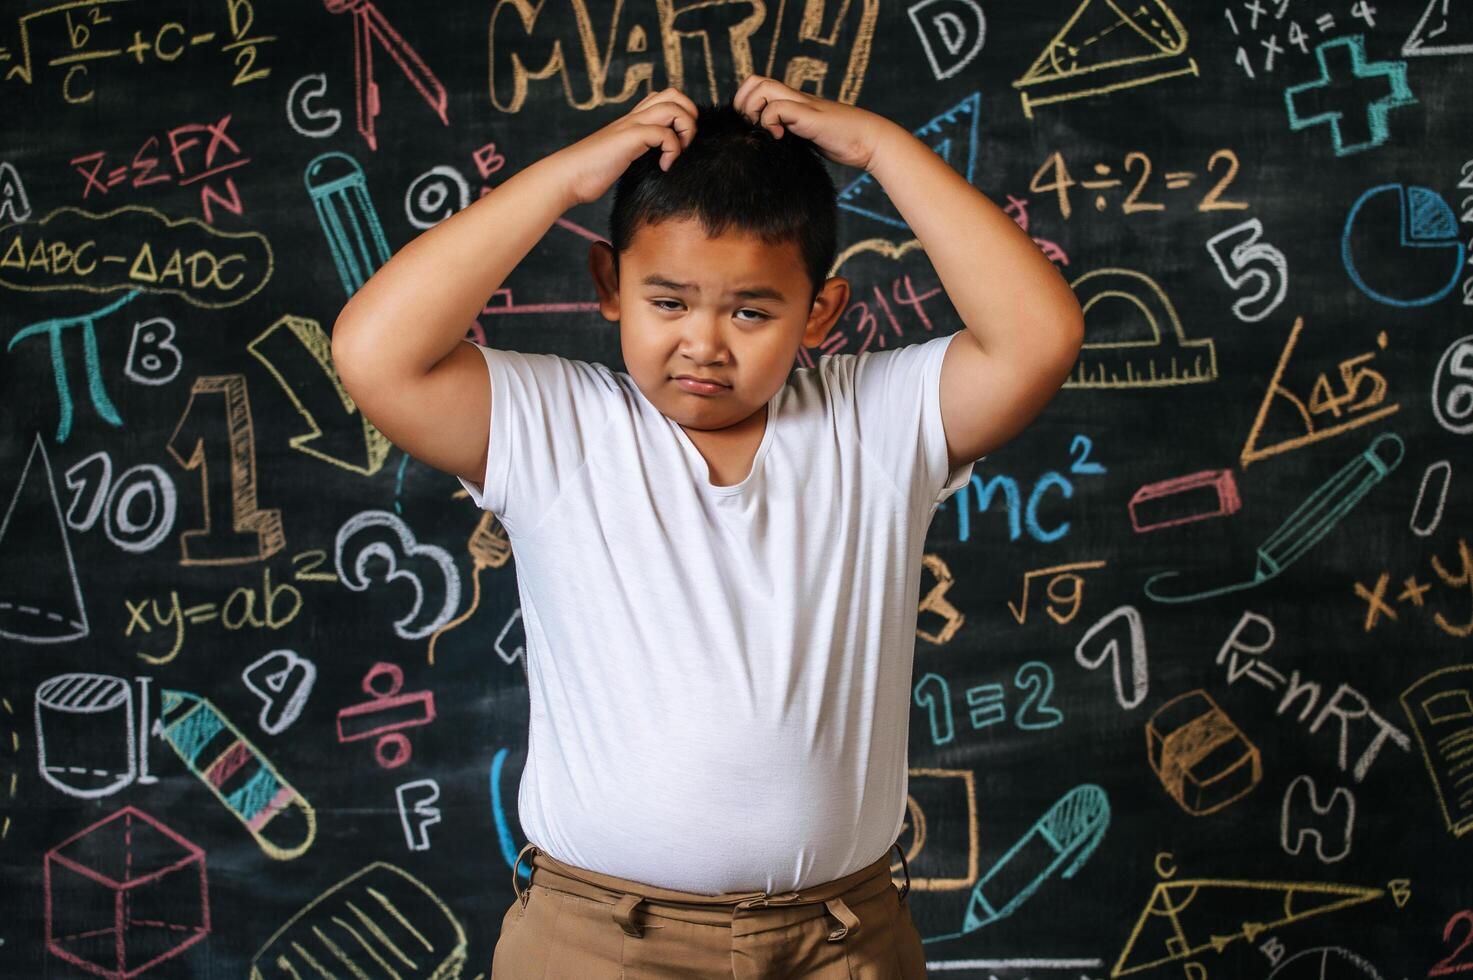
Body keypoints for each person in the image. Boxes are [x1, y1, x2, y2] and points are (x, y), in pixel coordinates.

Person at [331, 74, 1084, 979]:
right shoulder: (560, 427)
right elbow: (373, 352)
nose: (704, 343)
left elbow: (1037, 337)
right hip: (598, 939)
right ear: (608, 284)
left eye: (753, 312)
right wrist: (569, 180)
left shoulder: (874, 423)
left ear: (821, 312)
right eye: (668, 301)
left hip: (840, 940)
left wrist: (885, 149)